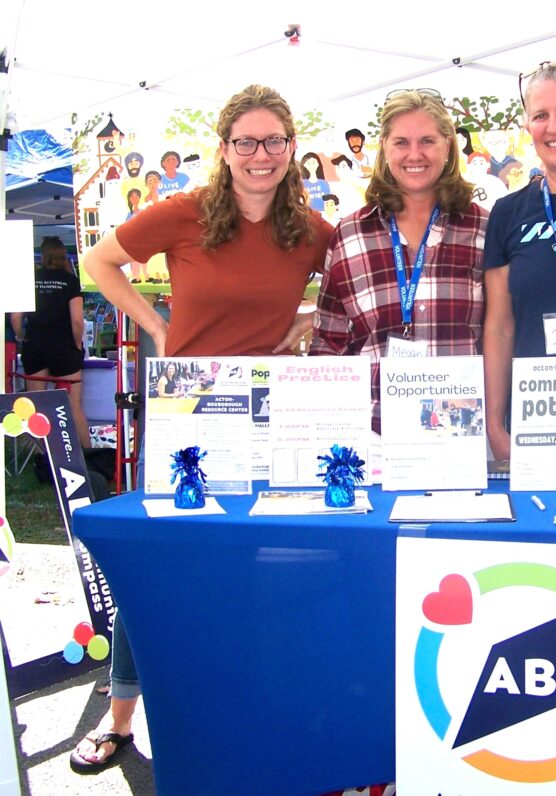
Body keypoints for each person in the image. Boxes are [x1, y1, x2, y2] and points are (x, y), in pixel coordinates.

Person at [70, 84, 333, 774]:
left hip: (272, 413)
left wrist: (307, 320)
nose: (261, 154)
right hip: (188, 412)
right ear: (223, 150)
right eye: (245, 141)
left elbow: (348, 280)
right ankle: (122, 717)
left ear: (291, 148)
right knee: (158, 562)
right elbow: (98, 263)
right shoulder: (185, 213)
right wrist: (156, 325)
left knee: (258, 562)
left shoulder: (308, 228)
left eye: (274, 139)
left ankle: (244, 706)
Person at [311, 89, 487, 432]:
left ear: (448, 146)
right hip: (371, 437)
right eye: (402, 142)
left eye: (427, 141)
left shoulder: (485, 229)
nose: (415, 154)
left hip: (461, 433)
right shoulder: (350, 235)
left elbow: (501, 334)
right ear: (385, 148)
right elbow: (328, 344)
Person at [483, 60, 556, 461]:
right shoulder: (507, 213)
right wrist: (496, 424)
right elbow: (499, 325)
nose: (554, 127)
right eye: (540, 116)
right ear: (528, 129)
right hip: (533, 422)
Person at [10, 236, 90, 448]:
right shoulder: (71, 281)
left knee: (36, 405)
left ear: (43, 255)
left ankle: (41, 456)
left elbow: (16, 317)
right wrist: (77, 344)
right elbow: (76, 320)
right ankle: (89, 456)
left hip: (35, 343)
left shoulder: (30, 280)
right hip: (63, 345)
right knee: (73, 406)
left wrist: (21, 337)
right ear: (63, 255)